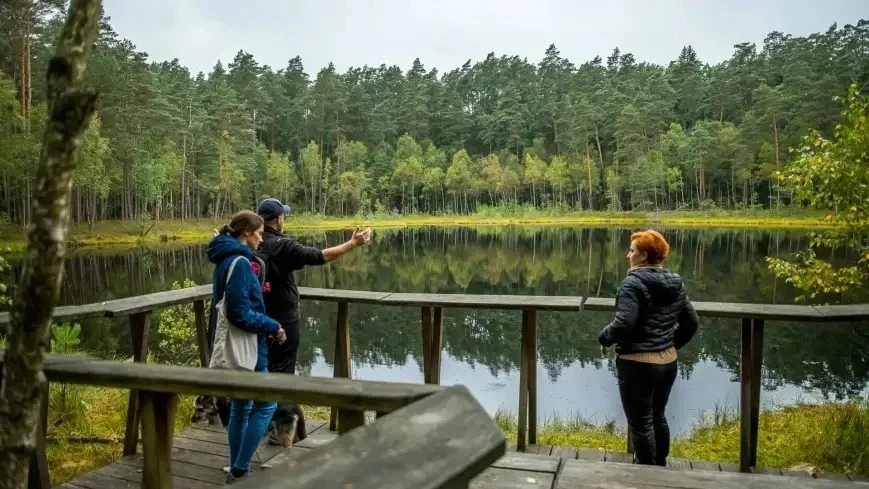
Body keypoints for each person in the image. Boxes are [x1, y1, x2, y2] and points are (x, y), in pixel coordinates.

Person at [597, 229, 699, 467]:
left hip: (638, 364)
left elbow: (624, 323)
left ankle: (647, 475)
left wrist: (604, 337)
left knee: (641, 423)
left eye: (631, 251)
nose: (627, 255)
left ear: (643, 256)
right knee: (657, 416)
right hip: (668, 362)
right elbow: (691, 322)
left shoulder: (632, 284)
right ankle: (660, 468)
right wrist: (670, 344)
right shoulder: (676, 282)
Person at [207, 210, 287, 484]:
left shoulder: (224, 260)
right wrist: (272, 326)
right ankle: (240, 468)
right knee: (266, 405)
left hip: (239, 347)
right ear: (246, 233)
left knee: (242, 407)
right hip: (249, 349)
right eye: (260, 233)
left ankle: (235, 466)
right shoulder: (240, 263)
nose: (262, 240)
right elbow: (240, 313)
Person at [254, 197, 373, 376]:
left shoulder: (250, 241)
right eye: (284, 216)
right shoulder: (283, 245)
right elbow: (319, 256)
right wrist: (352, 244)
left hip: (257, 317)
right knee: (282, 371)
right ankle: (282, 404)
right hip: (283, 321)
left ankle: (263, 402)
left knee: (260, 367)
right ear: (278, 219)